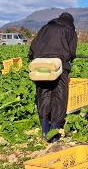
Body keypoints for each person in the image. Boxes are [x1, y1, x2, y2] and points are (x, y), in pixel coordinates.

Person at [28, 12, 78, 142]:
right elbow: (72, 52)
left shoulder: (45, 28)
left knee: (44, 93)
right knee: (59, 95)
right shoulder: (70, 31)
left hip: (41, 65)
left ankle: (45, 129)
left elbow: (33, 46)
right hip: (58, 65)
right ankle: (54, 131)